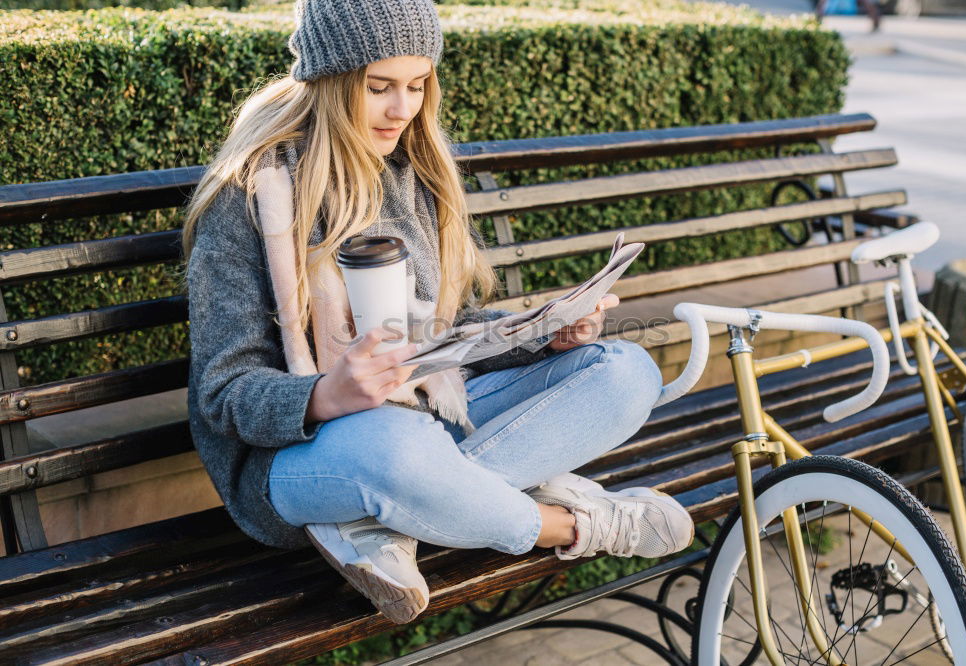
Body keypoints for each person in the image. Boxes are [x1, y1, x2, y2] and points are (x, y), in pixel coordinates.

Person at [181, 0, 694, 625]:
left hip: (433, 421)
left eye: (418, 85)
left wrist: (543, 335)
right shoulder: (249, 199)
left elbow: (445, 337)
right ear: (330, 80)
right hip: (302, 461)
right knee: (395, 450)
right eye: (380, 88)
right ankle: (570, 523)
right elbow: (221, 395)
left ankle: (390, 520)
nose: (404, 109)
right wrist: (324, 396)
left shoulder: (409, 174)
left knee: (626, 371)